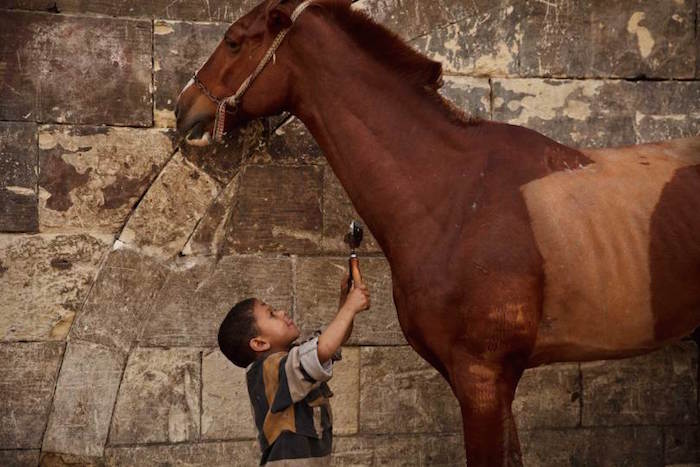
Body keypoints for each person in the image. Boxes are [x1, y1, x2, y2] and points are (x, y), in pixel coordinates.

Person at [218, 270, 371, 466]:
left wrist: (345, 300)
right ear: (259, 343)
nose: (282, 312)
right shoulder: (270, 369)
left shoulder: (289, 359)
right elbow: (323, 349)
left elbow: (332, 342)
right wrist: (350, 308)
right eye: (272, 315)